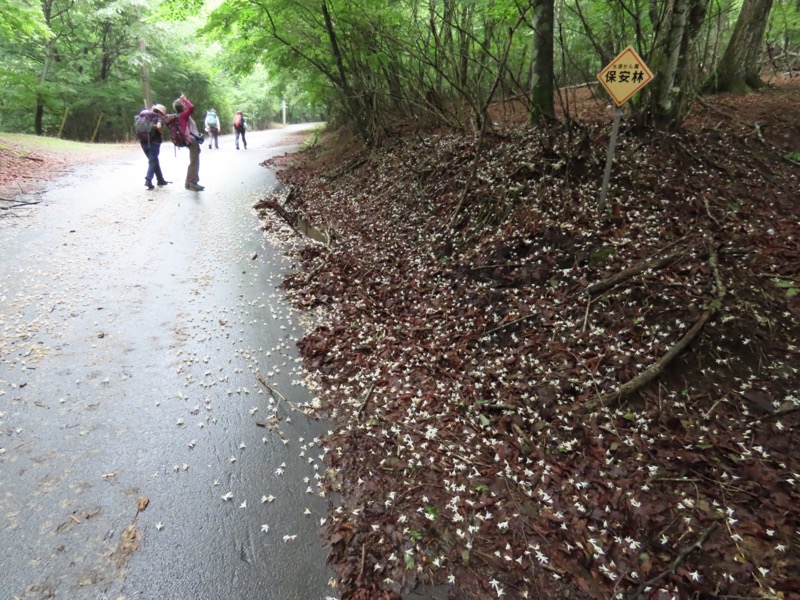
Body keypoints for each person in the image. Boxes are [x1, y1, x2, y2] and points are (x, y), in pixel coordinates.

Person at [173, 94, 204, 191]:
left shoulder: (181, 116)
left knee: (193, 160)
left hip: (190, 140)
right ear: (182, 106)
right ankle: (192, 182)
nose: (185, 105)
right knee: (194, 161)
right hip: (191, 140)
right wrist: (184, 99)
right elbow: (192, 107)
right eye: (183, 104)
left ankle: (188, 182)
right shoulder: (183, 115)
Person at [140, 103, 170, 190]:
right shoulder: (158, 117)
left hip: (143, 141)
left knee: (154, 160)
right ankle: (148, 179)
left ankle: (160, 180)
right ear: (161, 112)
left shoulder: (144, 116)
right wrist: (161, 132)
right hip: (154, 141)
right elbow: (159, 126)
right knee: (153, 160)